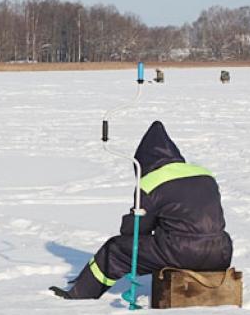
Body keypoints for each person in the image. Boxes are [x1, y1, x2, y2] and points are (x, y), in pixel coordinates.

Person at [50, 121, 232, 299]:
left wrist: (129, 224)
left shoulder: (152, 181)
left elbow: (137, 229)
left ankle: (81, 295)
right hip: (221, 253)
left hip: (183, 252)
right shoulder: (204, 174)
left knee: (114, 250)